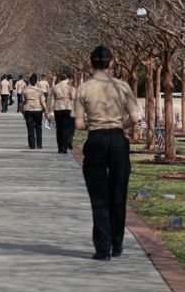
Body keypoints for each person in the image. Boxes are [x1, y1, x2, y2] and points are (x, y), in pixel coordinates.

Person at [74, 45, 141, 260]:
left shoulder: (84, 88)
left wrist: (94, 124)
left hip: (96, 139)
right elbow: (136, 117)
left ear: (90, 64)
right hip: (117, 138)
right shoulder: (122, 86)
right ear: (112, 63)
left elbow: (78, 123)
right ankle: (117, 243)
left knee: (99, 196)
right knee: (118, 192)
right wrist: (120, 124)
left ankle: (102, 248)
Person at [51, 71, 76, 154]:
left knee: (59, 128)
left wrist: (49, 111)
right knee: (66, 128)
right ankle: (64, 148)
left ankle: (59, 147)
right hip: (67, 107)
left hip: (57, 108)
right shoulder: (70, 88)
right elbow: (73, 97)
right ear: (67, 79)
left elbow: (52, 99)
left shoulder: (55, 87)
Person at [21, 73, 48, 149]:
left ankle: (32, 145)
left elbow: (23, 102)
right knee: (38, 127)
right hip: (38, 110)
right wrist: (46, 111)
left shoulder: (25, 90)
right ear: (36, 81)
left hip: (28, 110)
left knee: (30, 128)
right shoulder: (40, 91)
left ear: (30, 81)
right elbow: (43, 102)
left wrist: (23, 112)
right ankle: (39, 145)